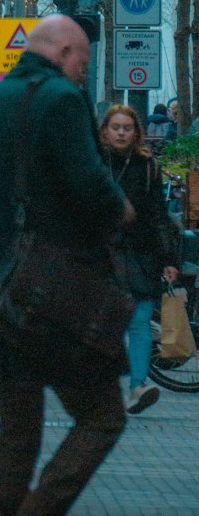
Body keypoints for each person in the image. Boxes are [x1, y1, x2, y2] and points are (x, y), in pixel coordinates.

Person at [0, 14, 132, 516]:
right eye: (82, 57)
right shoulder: (60, 100)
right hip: (52, 292)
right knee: (102, 415)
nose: (84, 68)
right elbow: (89, 187)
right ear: (62, 51)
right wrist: (122, 210)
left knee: (17, 430)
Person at [100, 104, 180, 413]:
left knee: (140, 320)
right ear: (105, 130)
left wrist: (169, 258)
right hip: (102, 252)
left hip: (140, 252)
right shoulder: (94, 162)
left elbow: (159, 215)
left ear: (136, 133)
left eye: (127, 127)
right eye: (116, 127)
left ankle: (138, 385)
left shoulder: (149, 167)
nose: (121, 132)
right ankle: (104, 389)